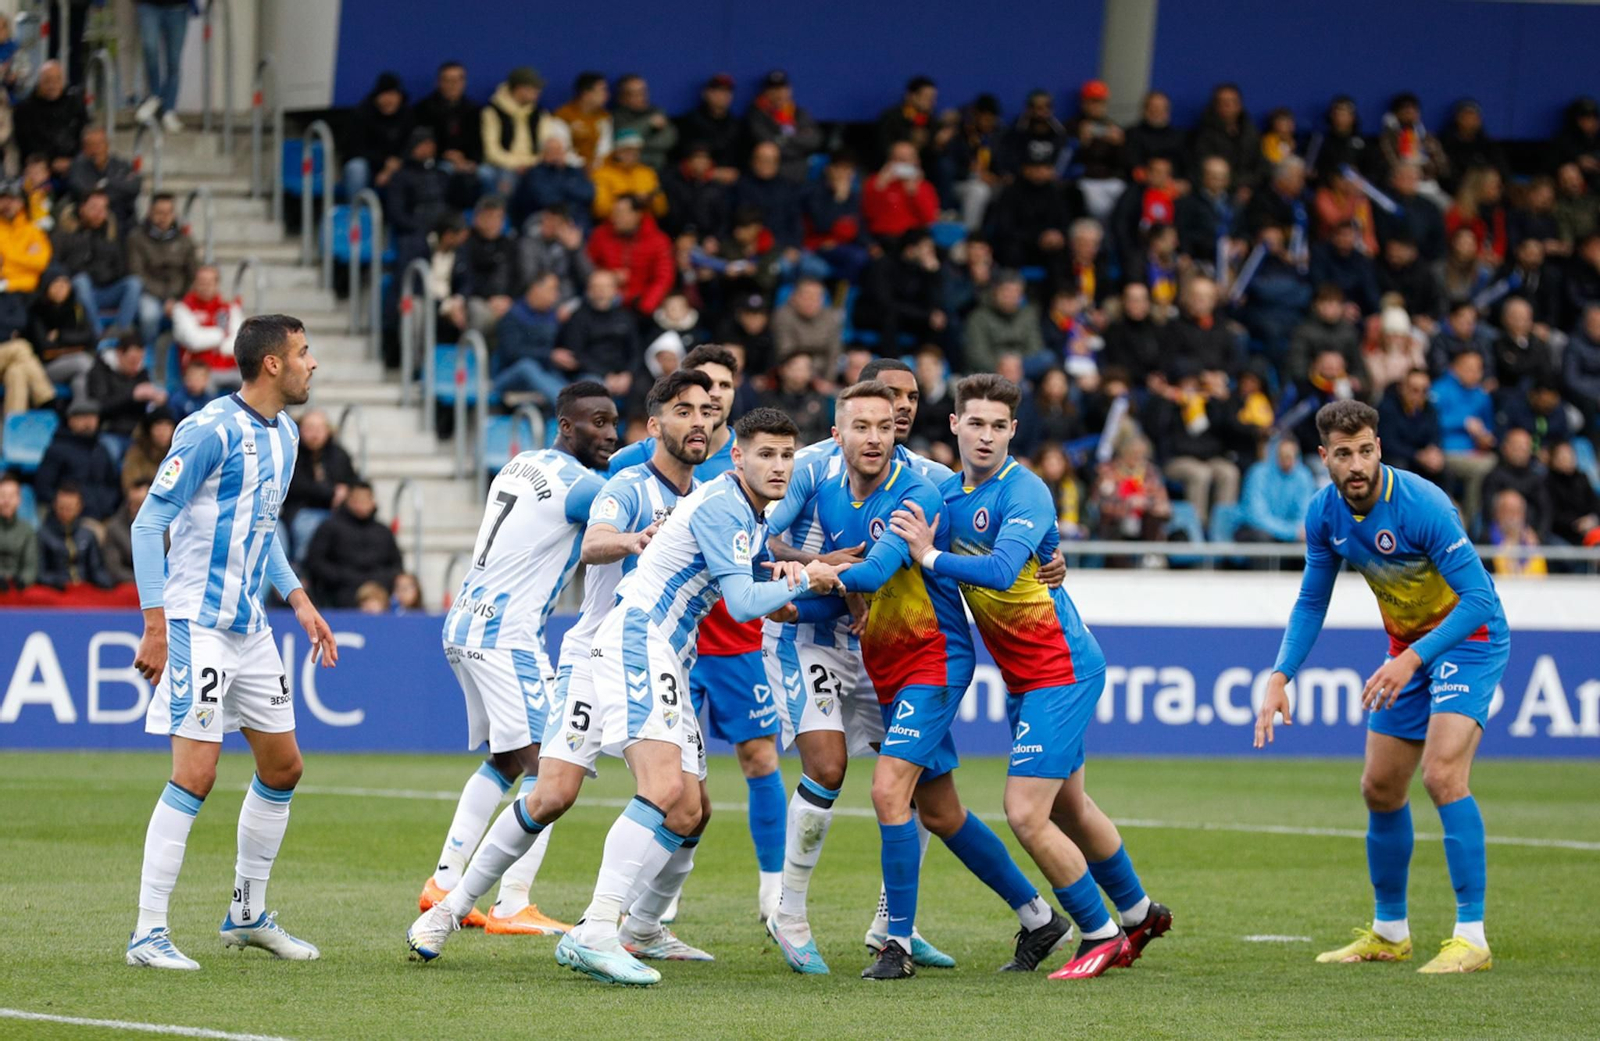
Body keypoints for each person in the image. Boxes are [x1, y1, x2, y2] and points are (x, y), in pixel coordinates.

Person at [889, 374, 1172, 977]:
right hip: (1027, 677)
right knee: (1069, 806)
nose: (987, 436)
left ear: (1013, 430)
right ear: (955, 426)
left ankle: (1098, 935)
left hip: (1061, 669)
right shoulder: (948, 494)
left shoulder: (1028, 491)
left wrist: (929, 556)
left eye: (999, 426)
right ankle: (1139, 912)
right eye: (977, 423)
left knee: (1024, 812)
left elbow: (998, 570)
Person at [790, 382, 1061, 981]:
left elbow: (882, 565)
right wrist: (789, 604)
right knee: (941, 813)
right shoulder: (834, 499)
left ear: (897, 434)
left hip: (933, 662)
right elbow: (848, 598)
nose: (874, 438)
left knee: (889, 792)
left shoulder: (914, 494)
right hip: (890, 666)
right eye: (861, 427)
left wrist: (813, 573)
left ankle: (896, 945)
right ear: (838, 435)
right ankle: (1038, 916)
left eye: (885, 427)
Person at [1255, 399, 1509, 975]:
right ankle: (1391, 932)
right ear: (1325, 458)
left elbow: (1479, 600)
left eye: (1365, 450)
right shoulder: (1324, 514)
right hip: (1408, 652)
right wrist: (1279, 675)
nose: (1357, 464)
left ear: (1378, 448)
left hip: (1470, 640)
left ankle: (1472, 936)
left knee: (1443, 775)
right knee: (1379, 788)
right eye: (1343, 454)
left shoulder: (1422, 506)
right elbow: (1312, 599)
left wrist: (1414, 659)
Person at [125, 314, 337, 970]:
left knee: (284, 766)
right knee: (196, 771)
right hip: (195, 622)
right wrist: (156, 625)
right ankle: (147, 931)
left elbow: (261, 525)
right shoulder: (209, 429)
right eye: (304, 353)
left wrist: (299, 599)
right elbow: (148, 521)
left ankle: (246, 911)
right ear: (272, 363)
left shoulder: (289, 436)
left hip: (251, 626)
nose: (312, 364)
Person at [413, 381, 617, 937]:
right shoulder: (584, 487)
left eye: (614, 422)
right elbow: (614, 504)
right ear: (567, 425)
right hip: (508, 633)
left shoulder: (522, 463)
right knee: (550, 767)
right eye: (598, 422)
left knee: (506, 761)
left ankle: (444, 881)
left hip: (465, 619)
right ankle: (511, 902)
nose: (610, 433)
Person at [53, 190, 145, 339]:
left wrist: (107, 274)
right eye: (94, 208)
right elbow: (59, 266)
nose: (99, 213)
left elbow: (122, 268)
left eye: (103, 209)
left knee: (134, 284)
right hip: (78, 293)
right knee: (81, 281)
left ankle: (120, 333)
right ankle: (97, 334)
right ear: (82, 208)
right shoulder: (65, 235)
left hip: (107, 289)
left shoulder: (112, 236)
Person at [303, 481, 404, 608]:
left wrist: (379, 580)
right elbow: (315, 562)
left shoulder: (383, 532)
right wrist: (341, 577)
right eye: (357, 498)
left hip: (378, 592)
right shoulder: (330, 528)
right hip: (340, 592)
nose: (362, 503)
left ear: (373, 501)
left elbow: (396, 565)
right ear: (349, 500)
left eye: (366, 498)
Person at [282, 407, 357, 564]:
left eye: (319, 428)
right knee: (310, 527)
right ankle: (302, 571)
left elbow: (351, 482)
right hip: (300, 510)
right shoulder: (292, 453)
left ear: (328, 430)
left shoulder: (339, 455)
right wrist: (332, 492)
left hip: (336, 512)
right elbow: (297, 486)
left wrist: (345, 493)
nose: (314, 434)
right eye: (309, 428)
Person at [557, 270, 640, 406]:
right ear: (588, 290)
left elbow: (636, 351)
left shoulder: (626, 316)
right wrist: (606, 376)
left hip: (622, 374)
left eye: (606, 287)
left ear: (615, 290)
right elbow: (577, 355)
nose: (601, 291)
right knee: (593, 389)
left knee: (644, 386)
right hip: (591, 374)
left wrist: (628, 374)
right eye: (596, 287)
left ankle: (635, 426)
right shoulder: (578, 318)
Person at [1434, 349, 1498, 523]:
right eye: (1470, 368)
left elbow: (1488, 427)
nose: (1476, 373)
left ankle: (1478, 521)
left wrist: (1486, 439)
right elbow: (1431, 422)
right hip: (1446, 450)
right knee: (1484, 466)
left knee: (1492, 464)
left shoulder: (1481, 395)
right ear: (1455, 368)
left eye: (1479, 369)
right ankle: (1469, 523)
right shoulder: (1440, 389)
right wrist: (1463, 422)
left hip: (1474, 451)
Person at [493, 272, 578, 403]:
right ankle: (566, 405)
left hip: (543, 374)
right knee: (527, 366)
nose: (556, 295)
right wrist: (549, 356)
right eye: (552, 289)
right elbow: (512, 352)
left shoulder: (553, 317)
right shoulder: (513, 315)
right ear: (535, 289)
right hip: (509, 376)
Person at [586, 195, 673, 317]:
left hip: (641, 306)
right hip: (604, 303)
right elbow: (589, 267)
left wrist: (646, 306)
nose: (615, 218)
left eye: (621, 213)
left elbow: (663, 277)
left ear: (637, 215)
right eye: (614, 212)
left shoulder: (658, 240)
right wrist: (609, 277)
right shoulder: (600, 235)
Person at [36, 398, 119, 518]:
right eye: (83, 417)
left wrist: (107, 505)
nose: (88, 422)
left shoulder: (101, 450)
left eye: (92, 417)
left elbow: (112, 485)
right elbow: (44, 488)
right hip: (72, 519)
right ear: (70, 420)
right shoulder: (57, 449)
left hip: (104, 515)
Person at [481, 67, 559, 195]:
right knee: (505, 179)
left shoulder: (541, 114)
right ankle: (501, 214)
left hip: (534, 166)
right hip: (503, 166)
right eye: (534, 88)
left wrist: (531, 164)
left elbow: (546, 147)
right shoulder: (492, 112)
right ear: (519, 89)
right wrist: (517, 165)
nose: (538, 92)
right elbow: (492, 151)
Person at [413, 61, 484, 199]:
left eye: (458, 80)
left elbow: (479, 142)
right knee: (445, 171)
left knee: (487, 174)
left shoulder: (474, 110)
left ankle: (488, 217)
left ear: (464, 82)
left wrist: (469, 161)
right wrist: (446, 155)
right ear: (439, 82)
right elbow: (422, 144)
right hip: (437, 161)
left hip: (467, 161)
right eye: (448, 80)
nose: (453, 85)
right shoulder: (424, 109)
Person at [127, 192, 199, 324]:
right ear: (150, 212)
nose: (164, 218)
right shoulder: (137, 238)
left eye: (168, 213)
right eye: (159, 212)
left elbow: (193, 273)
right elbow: (137, 272)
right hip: (149, 294)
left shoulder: (185, 240)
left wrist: (179, 297)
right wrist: (164, 296)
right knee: (149, 315)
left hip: (178, 295)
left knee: (191, 315)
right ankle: (148, 344)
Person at [343, 72, 413, 199]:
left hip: (397, 167)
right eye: (384, 94)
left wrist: (394, 165)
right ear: (377, 96)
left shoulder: (407, 115)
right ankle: (356, 214)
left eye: (393, 94)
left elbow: (412, 145)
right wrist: (384, 162)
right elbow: (354, 149)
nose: (388, 100)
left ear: (400, 97)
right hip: (370, 167)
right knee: (356, 167)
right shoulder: (362, 114)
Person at [744, 71, 823, 183]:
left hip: (800, 168)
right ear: (766, 91)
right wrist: (799, 143)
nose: (779, 93)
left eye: (783, 88)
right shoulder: (757, 114)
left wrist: (784, 138)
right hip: (772, 174)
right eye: (774, 89)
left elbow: (814, 140)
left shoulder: (798, 112)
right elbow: (768, 143)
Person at [0, 177, 51, 348]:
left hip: (27, 290)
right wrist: (24, 260)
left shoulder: (32, 230)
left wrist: (8, 260)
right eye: (3, 199)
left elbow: (40, 263)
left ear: (21, 202)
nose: (8, 204)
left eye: (12, 199)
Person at [172, 265, 244, 387]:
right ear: (194, 283)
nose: (206, 286)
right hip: (199, 372)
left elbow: (241, 342)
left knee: (258, 384)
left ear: (217, 284)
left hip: (230, 368)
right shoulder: (183, 308)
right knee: (204, 382)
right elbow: (193, 341)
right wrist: (223, 334)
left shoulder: (228, 307)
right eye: (202, 282)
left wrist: (210, 339)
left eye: (210, 282)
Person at [27, 268, 96, 393]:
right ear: (47, 287)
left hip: (74, 361)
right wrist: (75, 343)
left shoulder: (76, 309)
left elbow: (90, 337)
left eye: (65, 284)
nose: (61, 289)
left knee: (80, 380)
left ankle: (80, 411)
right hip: (46, 367)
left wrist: (60, 336)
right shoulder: (37, 311)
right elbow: (45, 347)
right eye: (57, 285)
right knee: (84, 362)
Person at [12, 62, 86, 177]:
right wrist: (51, 161)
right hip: (38, 167)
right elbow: (26, 144)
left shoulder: (75, 104)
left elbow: (83, 134)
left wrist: (72, 161)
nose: (52, 85)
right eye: (47, 80)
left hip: (72, 164)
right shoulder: (24, 109)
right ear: (39, 82)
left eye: (57, 80)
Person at [516, 204, 593, 313]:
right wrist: (552, 300)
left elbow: (588, 278)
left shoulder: (571, 244)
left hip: (566, 302)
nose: (548, 225)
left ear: (564, 225)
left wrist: (576, 250)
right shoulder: (528, 241)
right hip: (536, 298)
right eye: (546, 219)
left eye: (554, 222)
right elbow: (528, 277)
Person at [88, 333, 166, 439]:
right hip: (110, 430)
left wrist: (157, 401)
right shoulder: (100, 371)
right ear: (119, 353)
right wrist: (132, 394)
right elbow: (100, 406)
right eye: (132, 360)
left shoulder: (141, 372)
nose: (136, 366)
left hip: (138, 432)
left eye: (139, 360)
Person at [964, 271, 1044, 375]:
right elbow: (976, 354)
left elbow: (1036, 346)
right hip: (992, 368)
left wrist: (1016, 362)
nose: (1010, 296)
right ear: (995, 291)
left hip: (1022, 364)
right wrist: (1002, 366)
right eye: (1006, 290)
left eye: (1016, 292)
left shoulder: (1028, 315)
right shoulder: (978, 316)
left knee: (1047, 358)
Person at [510, 133, 595, 230]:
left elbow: (588, 193)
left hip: (576, 218)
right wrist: (571, 188)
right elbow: (546, 199)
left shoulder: (574, 171)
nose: (556, 155)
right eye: (552, 151)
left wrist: (561, 187)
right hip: (544, 219)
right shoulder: (535, 173)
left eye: (559, 150)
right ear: (544, 153)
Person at [1238, 438, 1316, 542]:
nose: (1288, 460)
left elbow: (1305, 512)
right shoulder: (1258, 473)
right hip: (1254, 529)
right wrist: (1291, 532)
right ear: (1274, 455)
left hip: (1289, 530)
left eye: (1292, 456)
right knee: (1262, 536)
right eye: (1283, 455)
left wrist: (1300, 530)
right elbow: (1256, 516)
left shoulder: (1304, 475)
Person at [36, 481, 111, 589]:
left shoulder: (88, 535)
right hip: (56, 591)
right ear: (55, 505)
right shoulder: (43, 535)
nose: (66, 512)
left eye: (70, 508)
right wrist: (56, 581)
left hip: (84, 591)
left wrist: (105, 582)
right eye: (62, 507)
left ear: (79, 507)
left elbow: (97, 569)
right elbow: (40, 573)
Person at [862, 140, 939, 243]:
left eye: (907, 159)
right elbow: (868, 214)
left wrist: (914, 192)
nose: (904, 163)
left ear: (916, 161)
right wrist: (880, 185)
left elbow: (930, 219)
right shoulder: (875, 183)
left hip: (912, 239)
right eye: (899, 159)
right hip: (883, 238)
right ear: (890, 161)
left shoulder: (924, 187)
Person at [1377, 368, 1446, 484]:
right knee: (1399, 466)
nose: (1419, 395)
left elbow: (1435, 434)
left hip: (1421, 458)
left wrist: (1433, 450)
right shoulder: (1387, 408)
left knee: (1442, 467)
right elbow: (1388, 443)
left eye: (1424, 391)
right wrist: (1417, 455)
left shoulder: (1429, 409)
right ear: (1402, 388)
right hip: (1396, 458)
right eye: (1414, 390)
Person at [68, 126, 141, 232]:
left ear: (107, 145)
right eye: (92, 145)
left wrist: (105, 184)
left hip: (122, 220)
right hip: (89, 223)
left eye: (100, 144)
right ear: (85, 148)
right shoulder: (78, 166)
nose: (96, 149)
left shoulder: (122, 165)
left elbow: (134, 187)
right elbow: (81, 191)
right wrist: (116, 187)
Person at [1480, 427, 1549, 538]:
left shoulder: (1538, 479)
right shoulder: (1493, 476)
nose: (1520, 451)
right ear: (1505, 448)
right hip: (1499, 534)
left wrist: (1538, 535)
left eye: (1525, 447)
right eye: (1516, 447)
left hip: (1532, 535)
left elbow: (1545, 512)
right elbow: (1488, 512)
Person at [135, 0, 190, 132]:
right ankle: (155, 95)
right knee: (150, 48)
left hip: (178, 7)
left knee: (174, 61)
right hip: (149, 5)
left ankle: (168, 108)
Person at [772, 277, 842, 380]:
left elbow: (834, 353)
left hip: (823, 375)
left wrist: (828, 380)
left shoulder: (830, 318)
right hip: (794, 372)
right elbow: (786, 352)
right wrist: (811, 376)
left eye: (816, 297)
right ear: (794, 297)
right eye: (806, 296)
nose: (811, 301)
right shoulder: (783, 316)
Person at [676, 74, 742, 175]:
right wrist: (711, 173)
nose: (722, 96)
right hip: (697, 179)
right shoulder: (690, 121)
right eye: (717, 91)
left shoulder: (736, 124)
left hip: (730, 180)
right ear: (706, 94)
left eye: (726, 92)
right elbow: (684, 158)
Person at [591, 129, 664, 220]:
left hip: (646, 224)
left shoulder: (647, 173)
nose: (632, 154)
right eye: (627, 150)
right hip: (613, 224)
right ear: (617, 151)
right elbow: (600, 210)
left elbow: (662, 210)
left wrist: (652, 200)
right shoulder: (602, 174)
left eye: (636, 150)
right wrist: (632, 201)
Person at [610, 75, 677, 171]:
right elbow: (625, 140)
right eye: (634, 93)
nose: (641, 97)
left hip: (660, 167)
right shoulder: (616, 116)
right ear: (622, 97)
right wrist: (648, 123)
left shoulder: (656, 111)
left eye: (643, 91)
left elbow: (668, 140)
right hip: (630, 169)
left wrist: (637, 144)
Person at [762, 352, 829, 445]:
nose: (800, 373)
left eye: (806, 368)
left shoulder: (818, 399)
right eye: (796, 368)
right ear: (782, 370)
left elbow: (824, 433)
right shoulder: (768, 398)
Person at [1546, 439, 1600, 548]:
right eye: (1562, 455)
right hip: (1561, 533)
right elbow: (1552, 514)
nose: (1567, 458)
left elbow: (1595, 504)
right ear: (1553, 459)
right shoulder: (1547, 482)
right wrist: (1576, 523)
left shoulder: (1582, 478)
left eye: (1570, 454)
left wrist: (1593, 519)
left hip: (1587, 529)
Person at [103, 477, 149, 585]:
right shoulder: (114, 528)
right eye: (131, 503)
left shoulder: (169, 527)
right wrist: (144, 582)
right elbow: (114, 569)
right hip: (130, 584)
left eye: (139, 504)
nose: (134, 508)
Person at [120, 407, 175, 494]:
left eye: (167, 425)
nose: (163, 431)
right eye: (158, 425)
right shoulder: (137, 453)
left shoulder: (177, 454)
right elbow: (130, 485)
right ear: (150, 429)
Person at [0, 472, 38, 591]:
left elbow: (31, 566)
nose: (7, 502)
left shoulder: (27, 530)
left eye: (11, 496)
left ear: (19, 499)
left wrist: (23, 580)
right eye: (2, 496)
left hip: (19, 588)